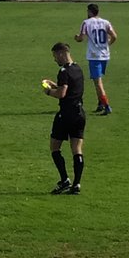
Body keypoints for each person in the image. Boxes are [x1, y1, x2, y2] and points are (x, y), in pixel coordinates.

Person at [42, 42, 86, 195]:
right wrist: (55, 85)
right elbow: (70, 89)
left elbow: (62, 94)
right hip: (80, 113)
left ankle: (65, 179)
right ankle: (77, 185)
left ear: (61, 53)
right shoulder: (78, 69)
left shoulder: (63, 71)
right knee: (77, 150)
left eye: (55, 56)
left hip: (66, 115)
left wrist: (48, 92)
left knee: (55, 147)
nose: (55, 59)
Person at [75, 3, 117, 115]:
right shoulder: (106, 22)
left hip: (94, 56)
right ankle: (100, 103)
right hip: (105, 55)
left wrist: (76, 38)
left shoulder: (86, 23)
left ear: (89, 12)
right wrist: (108, 44)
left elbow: (81, 38)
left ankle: (107, 105)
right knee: (98, 81)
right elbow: (114, 36)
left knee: (98, 82)